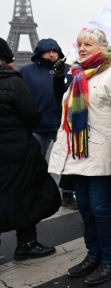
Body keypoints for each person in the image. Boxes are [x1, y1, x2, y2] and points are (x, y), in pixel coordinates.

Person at [49, 28, 111, 285]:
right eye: (80, 44)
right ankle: (94, 254)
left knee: (101, 209)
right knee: (86, 209)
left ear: (102, 46)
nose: (83, 48)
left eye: (88, 44)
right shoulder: (77, 73)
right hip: (78, 153)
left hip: (100, 153)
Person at [0, 38, 61, 261]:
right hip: (17, 148)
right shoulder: (13, 81)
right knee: (26, 192)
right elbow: (31, 114)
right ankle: (26, 243)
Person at [19, 38, 78, 210]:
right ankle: (35, 194)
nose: (52, 54)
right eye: (47, 51)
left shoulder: (68, 70)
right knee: (35, 162)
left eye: (55, 51)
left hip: (62, 123)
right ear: (39, 53)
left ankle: (67, 194)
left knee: (67, 162)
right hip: (37, 124)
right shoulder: (26, 71)